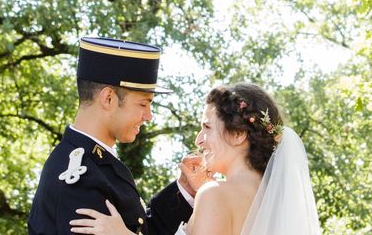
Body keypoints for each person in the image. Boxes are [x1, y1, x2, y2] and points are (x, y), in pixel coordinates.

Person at [68, 83, 322, 235]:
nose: (199, 140)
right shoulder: (275, 199)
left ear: (237, 135)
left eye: (207, 128)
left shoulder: (216, 194)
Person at [28, 37, 193, 235]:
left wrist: (184, 190)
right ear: (108, 98)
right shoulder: (78, 180)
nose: (149, 116)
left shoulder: (96, 164)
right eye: (143, 104)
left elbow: (142, 229)